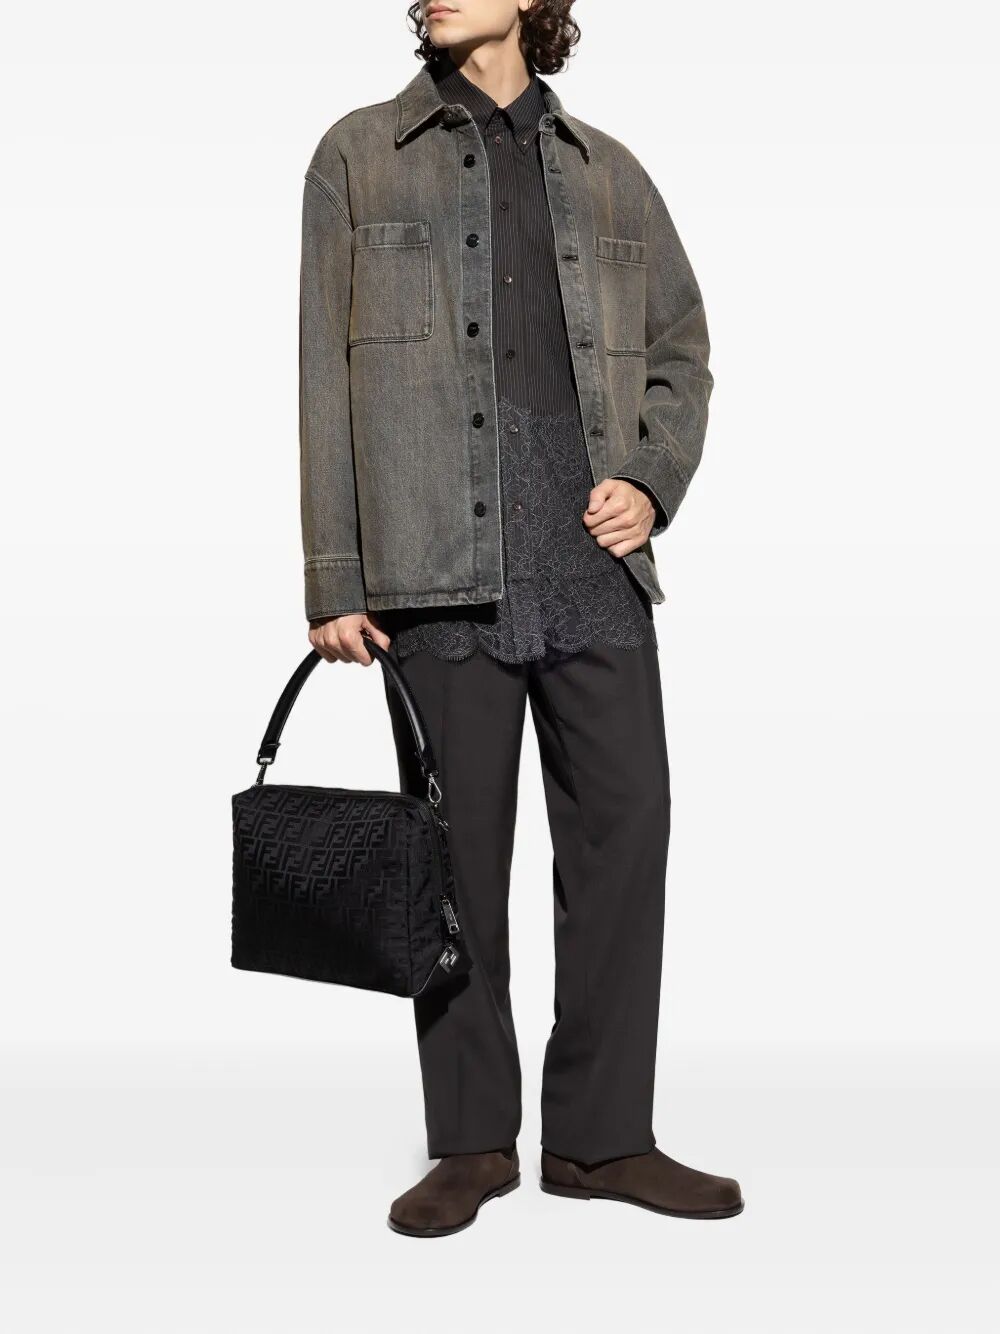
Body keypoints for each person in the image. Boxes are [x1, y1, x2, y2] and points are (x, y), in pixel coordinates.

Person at [300, 0, 743, 1237]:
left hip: (591, 562)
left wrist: (650, 477)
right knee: (451, 865)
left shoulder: (611, 172)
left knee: (624, 836)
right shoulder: (356, 154)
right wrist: (334, 572)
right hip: (435, 560)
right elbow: (322, 369)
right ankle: (472, 1141)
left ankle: (601, 1139)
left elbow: (681, 347)